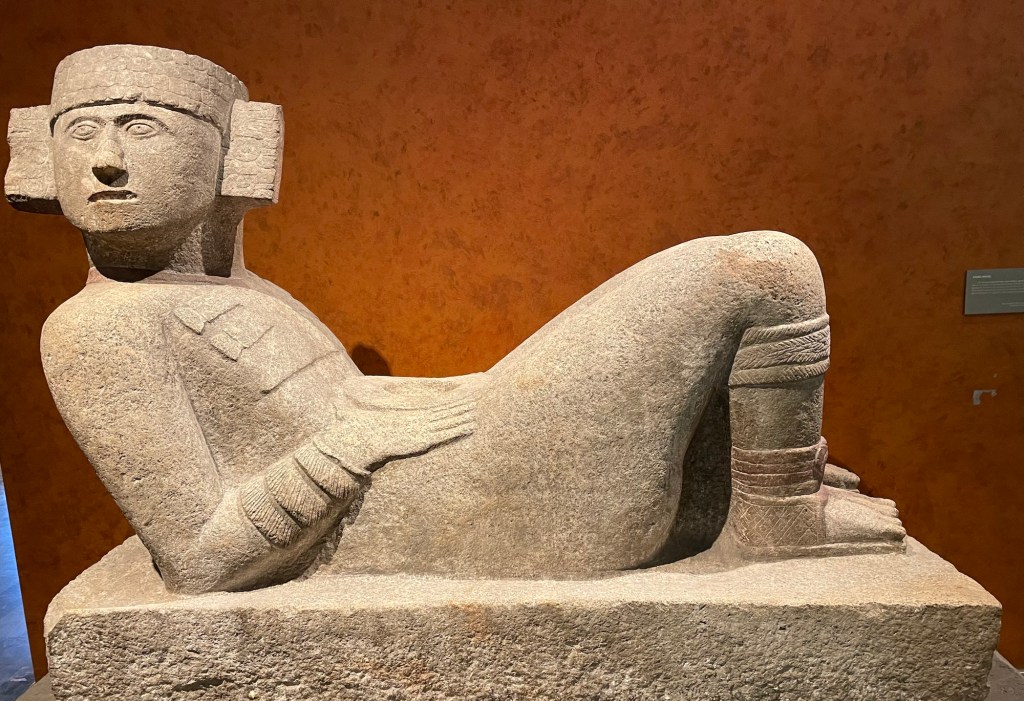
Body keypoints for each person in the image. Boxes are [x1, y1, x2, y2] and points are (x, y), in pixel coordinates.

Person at [10, 46, 904, 594]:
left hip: (463, 474)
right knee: (766, 267)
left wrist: (396, 411)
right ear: (38, 153)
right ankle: (782, 515)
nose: (107, 161)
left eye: (142, 127)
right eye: (82, 132)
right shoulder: (96, 330)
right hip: (470, 505)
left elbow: (351, 409)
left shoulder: (234, 291)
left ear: (233, 151)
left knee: (734, 314)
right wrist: (347, 446)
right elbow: (202, 560)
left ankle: (757, 493)